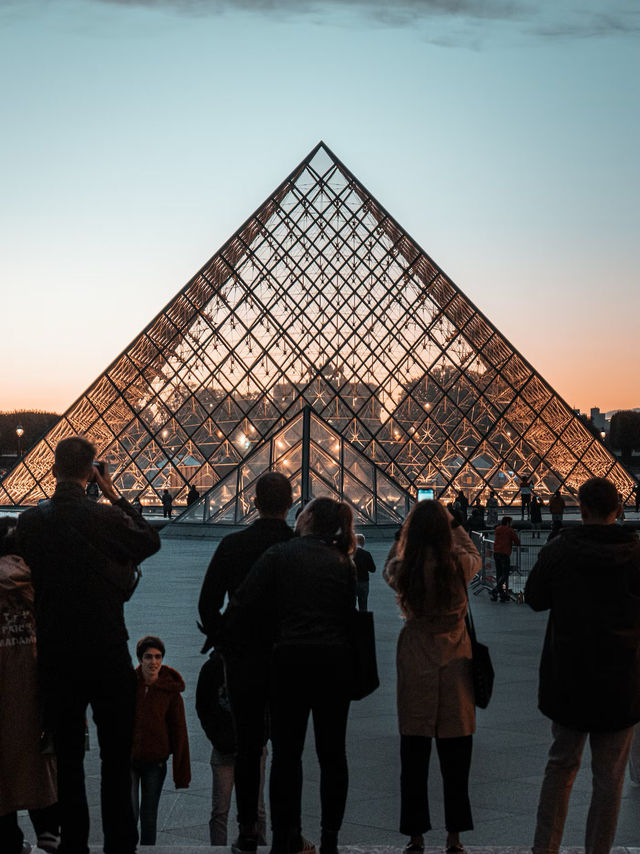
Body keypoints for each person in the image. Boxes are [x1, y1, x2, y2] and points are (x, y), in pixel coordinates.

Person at [15, 436, 161, 854]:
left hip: (58, 655)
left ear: (53, 468)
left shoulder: (30, 522)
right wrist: (114, 495)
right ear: (91, 471)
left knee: (69, 761)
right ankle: (119, 845)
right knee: (117, 760)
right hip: (107, 651)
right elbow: (150, 540)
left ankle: (74, 844)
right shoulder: (107, 519)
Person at [227, 497, 357, 854]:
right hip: (334, 664)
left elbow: (241, 602)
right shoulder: (344, 561)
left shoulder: (279, 555)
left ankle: (287, 835)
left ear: (309, 518)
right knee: (334, 755)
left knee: (287, 755)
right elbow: (348, 616)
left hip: (289, 662)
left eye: (302, 512)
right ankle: (330, 838)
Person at [524, 476, 640, 854]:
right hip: (622, 681)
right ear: (619, 510)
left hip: (569, 676)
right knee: (609, 781)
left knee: (560, 767)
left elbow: (535, 598)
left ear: (581, 508)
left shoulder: (561, 549)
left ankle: (546, 848)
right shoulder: (636, 553)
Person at [198, 471, 293, 854]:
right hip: (289, 660)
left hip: (244, 661)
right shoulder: (299, 546)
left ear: (254, 502)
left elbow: (207, 605)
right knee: (287, 750)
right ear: (290, 504)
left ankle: (248, 830)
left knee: (249, 748)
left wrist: (226, 641)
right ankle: (288, 831)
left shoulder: (231, 544)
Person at [383, 500, 481, 854]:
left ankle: (416, 835)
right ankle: (454, 838)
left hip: (415, 659)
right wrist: (452, 523)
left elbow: (387, 567)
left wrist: (405, 530)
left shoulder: (404, 569)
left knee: (414, 756)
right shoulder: (459, 566)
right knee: (456, 759)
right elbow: (474, 552)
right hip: (455, 660)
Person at [0, 517, 60, 854]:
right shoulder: (43, 584)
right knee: (45, 765)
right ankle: (49, 829)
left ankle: (8, 838)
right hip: (40, 693)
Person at [196, 650, 267, 846]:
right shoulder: (212, 669)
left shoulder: (254, 664)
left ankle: (259, 846)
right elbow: (203, 706)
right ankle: (219, 849)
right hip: (224, 748)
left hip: (253, 747)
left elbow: (267, 705)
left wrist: (261, 738)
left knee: (257, 809)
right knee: (221, 809)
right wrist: (219, 740)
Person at [131, 635, 191, 845]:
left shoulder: (170, 692)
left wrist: (181, 773)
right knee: (130, 813)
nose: (153, 662)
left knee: (149, 816)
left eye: (158, 657)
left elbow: (179, 732)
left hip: (155, 763)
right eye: (148, 657)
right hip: (129, 760)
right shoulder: (128, 685)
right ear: (140, 659)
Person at [490, 517, 519, 602]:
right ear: (508, 522)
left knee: (499, 573)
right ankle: (495, 590)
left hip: (496, 552)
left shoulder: (497, 529)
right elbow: (517, 541)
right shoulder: (510, 530)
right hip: (504, 553)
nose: (512, 524)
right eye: (511, 522)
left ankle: (501, 594)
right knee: (505, 574)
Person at [353, 533, 376, 611]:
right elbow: (373, 569)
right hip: (363, 583)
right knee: (363, 606)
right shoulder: (366, 554)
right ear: (362, 542)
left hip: (351, 582)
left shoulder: (349, 554)